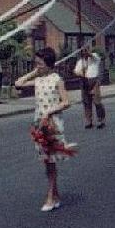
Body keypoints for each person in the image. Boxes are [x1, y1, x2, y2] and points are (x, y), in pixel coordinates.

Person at [14, 47, 75, 211]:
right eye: (36, 63)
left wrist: (49, 111)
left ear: (48, 64)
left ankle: (51, 197)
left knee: (51, 160)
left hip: (53, 124)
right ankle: (54, 196)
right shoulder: (39, 80)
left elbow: (66, 102)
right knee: (47, 161)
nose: (37, 66)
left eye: (40, 63)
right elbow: (18, 84)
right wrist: (34, 72)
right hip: (39, 123)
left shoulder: (57, 79)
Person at [74, 47, 105, 129]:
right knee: (86, 103)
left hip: (94, 81)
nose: (84, 53)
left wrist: (89, 53)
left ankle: (100, 120)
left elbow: (93, 56)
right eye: (82, 51)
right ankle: (89, 121)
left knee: (97, 101)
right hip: (84, 81)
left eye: (85, 51)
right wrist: (80, 73)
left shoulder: (95, 57)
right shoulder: (80, 61)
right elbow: (76, 71)